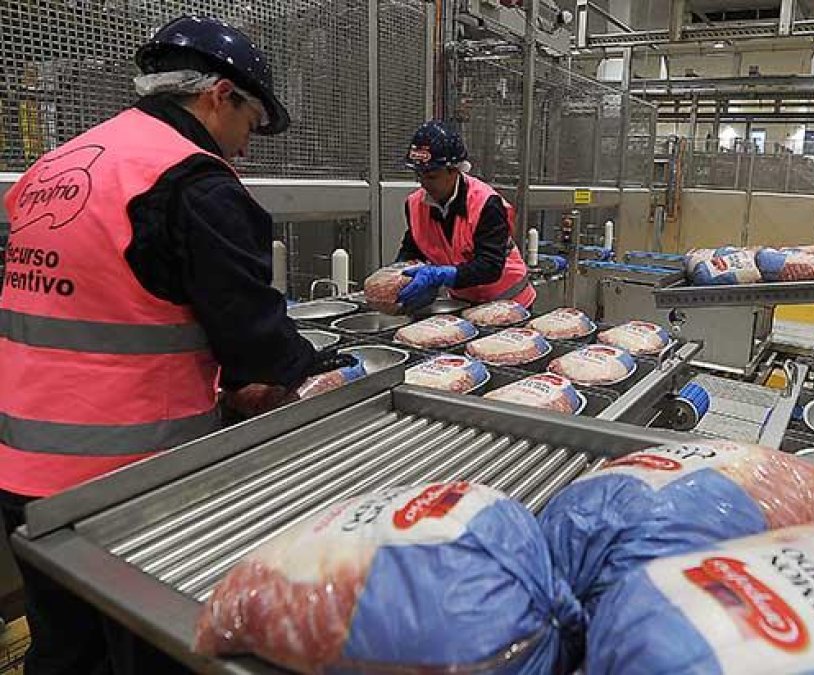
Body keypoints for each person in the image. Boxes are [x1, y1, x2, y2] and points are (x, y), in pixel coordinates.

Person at [0, 15, 359, 673]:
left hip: (22, 470)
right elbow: (253, 339)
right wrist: (309, 367)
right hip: (124, 484)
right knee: (155, 647)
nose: (244, 149)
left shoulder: (58, 164)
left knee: (65, 652)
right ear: (219, 95)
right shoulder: (190, 179)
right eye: (250, 124)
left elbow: (113, 297)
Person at [393, 121, 536, 310]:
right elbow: (413, 248)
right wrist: (398, 276)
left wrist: (441, 275)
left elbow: (490, 266)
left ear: (454, 170)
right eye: (419, 175)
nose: (424, 184)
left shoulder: (486, 203)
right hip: (464, 304)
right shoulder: (415, 204)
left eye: (431, 176)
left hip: (509, 303)